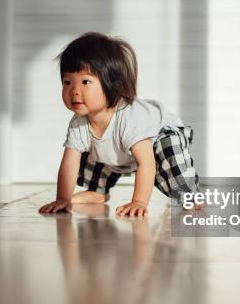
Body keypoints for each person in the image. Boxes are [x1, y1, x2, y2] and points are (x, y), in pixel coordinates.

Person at [38, 32, 199, 217]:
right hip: (120, 152)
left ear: (112, 85)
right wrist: (63, 198)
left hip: (158, 138)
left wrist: (138, 202)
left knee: (168, 148)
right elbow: (69, 162)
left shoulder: (129, 118)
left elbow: (146, 163)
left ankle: (190, 194)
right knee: (90, 150)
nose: (74, 91)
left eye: (85, 82)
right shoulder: (78, 123)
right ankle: (98, 191)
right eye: (67, 82)